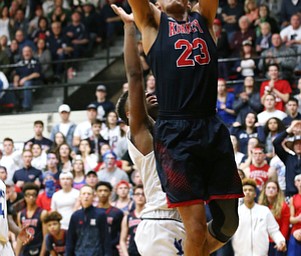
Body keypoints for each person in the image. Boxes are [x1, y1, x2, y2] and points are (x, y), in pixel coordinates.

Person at [125, 1, 244, 255]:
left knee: (230, 223)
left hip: (210, 125)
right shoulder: (151, 25)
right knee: (197, 228)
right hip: (175, 132)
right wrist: (128, 24)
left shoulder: (205, 19)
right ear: (157, 4)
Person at [232, 178, 287, 256]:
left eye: (250, 190)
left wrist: (280, 241)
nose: (247, 192)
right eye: (245, 190)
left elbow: (274, 231)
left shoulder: (264, 211)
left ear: (255, 194)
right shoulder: (236, 212)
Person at [66, 185, 112, 256]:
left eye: (89, 194)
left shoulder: (100, 214)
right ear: (80, 197)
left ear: (93, 197)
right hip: (79, 253)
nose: (86, 196)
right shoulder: (75, 216)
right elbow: (70, 239)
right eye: (84, 194)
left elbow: (105, 238)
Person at [258, 180, 290, 256]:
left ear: (277, 191)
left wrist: (281, 241)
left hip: (277, 240)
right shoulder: (259, 206)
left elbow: (285, 226)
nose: (271, 190)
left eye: (273, 188)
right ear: (264, 190)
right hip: (263, 240)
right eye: (268, 188)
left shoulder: (284, 206)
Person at [16, 183, 48, 256]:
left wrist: (42, 254)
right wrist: (16, 254)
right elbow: (20, 237)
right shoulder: (20, 214)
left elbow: (46, 237)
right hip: (26, 250)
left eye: (33, 195)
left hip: (38, 248)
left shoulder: (43, 213)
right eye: (28, 195)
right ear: (24, 196)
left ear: (37, 196)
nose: (31, 197)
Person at [273, 121, 301, 197]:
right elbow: (276, 143)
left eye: (300, 144)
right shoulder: (288, 158)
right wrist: (290, 129)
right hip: (290, 195)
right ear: (293, 146)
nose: (298, 146)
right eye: (296, 144)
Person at [96, 181, 124, 256]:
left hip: (112, 250)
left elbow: (121, 233)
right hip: (94, 249)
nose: (103, 193)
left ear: (110, 193)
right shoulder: (91, 212)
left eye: (105, 190)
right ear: (96, 193)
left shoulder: (117, 213)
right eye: (100, 191)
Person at [119, 185, 145, 256]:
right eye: (137, 194)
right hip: (132, 252)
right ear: (133, 196)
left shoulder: (151, 217)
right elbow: (122, 240)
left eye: (143, 194)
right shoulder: (127, 217)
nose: (140, 196)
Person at [288, 174, 301, 255]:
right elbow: (291, 219)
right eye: (299, 181)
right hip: (295, 232)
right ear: (295, 183)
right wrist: (298, 218)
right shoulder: (293, 198)